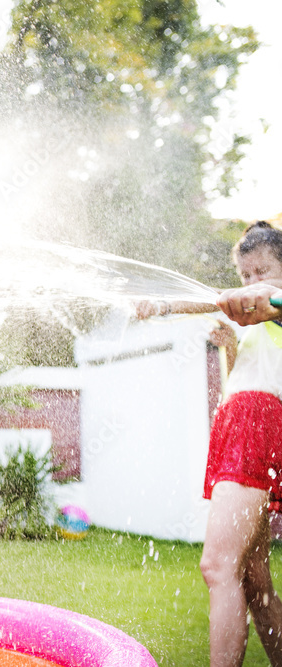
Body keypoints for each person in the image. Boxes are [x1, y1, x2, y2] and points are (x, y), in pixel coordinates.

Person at [139, 221, 282, 666]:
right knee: (255, 579)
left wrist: (166, 305)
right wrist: (231, 347)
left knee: (217, 566)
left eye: (263, 270)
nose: (252, 283)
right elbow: (248, 376)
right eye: (245, 274)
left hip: (256, 425)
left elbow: (257, 301)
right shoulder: (259, 323)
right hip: (242, 422)